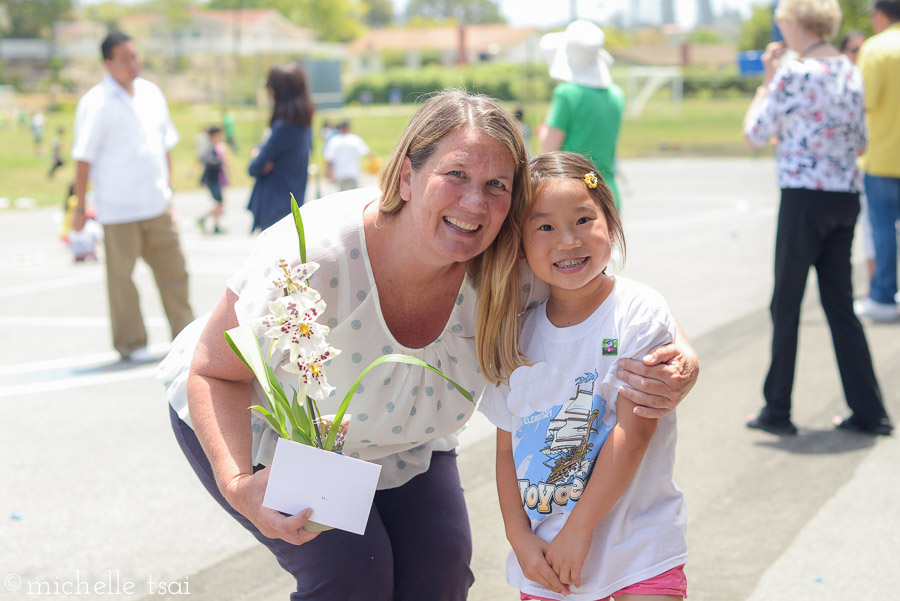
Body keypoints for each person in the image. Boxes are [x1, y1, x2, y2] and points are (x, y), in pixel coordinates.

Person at [158, 91, 699, 601]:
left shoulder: (509, 267)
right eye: (455, 175)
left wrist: (681, 351)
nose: (474, 202)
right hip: (280, 440)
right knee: (352, 575)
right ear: (406, 175)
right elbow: (212, 371)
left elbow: (607, 293)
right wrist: (238, 484)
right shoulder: (312, 257)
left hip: (401, 441)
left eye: (497, 185)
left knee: (438, 573)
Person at [475, 151, 687, 601]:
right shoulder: (516, 335)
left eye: (583, 219)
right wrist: (520, 537)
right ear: (519, 243)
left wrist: (580, 528)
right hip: (550, 564)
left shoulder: (637, 313)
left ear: (610, 221)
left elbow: (635, 431)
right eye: (545, 226)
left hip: (640, 548)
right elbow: (504, 451)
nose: (568, 241)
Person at [742, 0, 893, 436]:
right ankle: (870, 410)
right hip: (844, 194)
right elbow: (861, 140)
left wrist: (768, 83)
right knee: (839, 304)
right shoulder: (850, 69)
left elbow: (754, 132)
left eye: (782, 19)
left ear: (796, 22)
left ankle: (777, 408)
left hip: (803, 196)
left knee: (786, 302)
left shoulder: (794, 72)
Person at [71, 31, 193, 361]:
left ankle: (185, 335)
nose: (133, 64)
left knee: (175, 272)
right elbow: (83, 158)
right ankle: (132, 342)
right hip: (118, 208)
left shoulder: (152, 93)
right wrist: (79, 205)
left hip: (156, 202)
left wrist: (169, 190)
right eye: (125, 58)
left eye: (135, 56)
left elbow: (166, 144)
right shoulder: (95, 103)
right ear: (107, 63)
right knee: (122, 280)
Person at [538, 20, 625, 209]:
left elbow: (549, 147)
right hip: (605, 187)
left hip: (574, 188)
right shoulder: (616, 95)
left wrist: (543, 128)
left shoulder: (567, 94)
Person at [852, 0, 900, 322]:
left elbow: (861, 100)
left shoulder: (876, 48)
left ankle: (884, 295)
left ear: (880, 15)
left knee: (883, 230)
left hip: (884, 155)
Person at [247, 62, 313, 233]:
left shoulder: (284, 126)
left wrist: (257, 154)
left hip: (276, 206)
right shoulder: (304, 121)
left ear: (277, 90)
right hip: (292, 202)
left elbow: (254, 167)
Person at [838, 30, 877, 289]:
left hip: (874, 164)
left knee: (877, 230)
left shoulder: (868, 77)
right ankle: (877, 285)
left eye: (862, 49)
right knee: (870, 232)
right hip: (852, 172)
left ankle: (880, 287)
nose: (858, 55)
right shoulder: (840, 81)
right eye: (853, 49)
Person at [198, 125, 229, 234]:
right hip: (213, 180)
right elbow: (208, 161)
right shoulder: (210, 148)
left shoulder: (216, 147)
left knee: (219, 204)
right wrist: (221, 161)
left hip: (217, 179)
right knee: (220, 205)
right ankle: (203, 218)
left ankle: (216, 225)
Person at [323, 120, 370, 191]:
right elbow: (366, 153)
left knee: (343, 196)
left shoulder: (334, 141)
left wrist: (329, 174)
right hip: (353, 173)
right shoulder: (355, 139)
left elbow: (329, 159)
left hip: (339, 174)